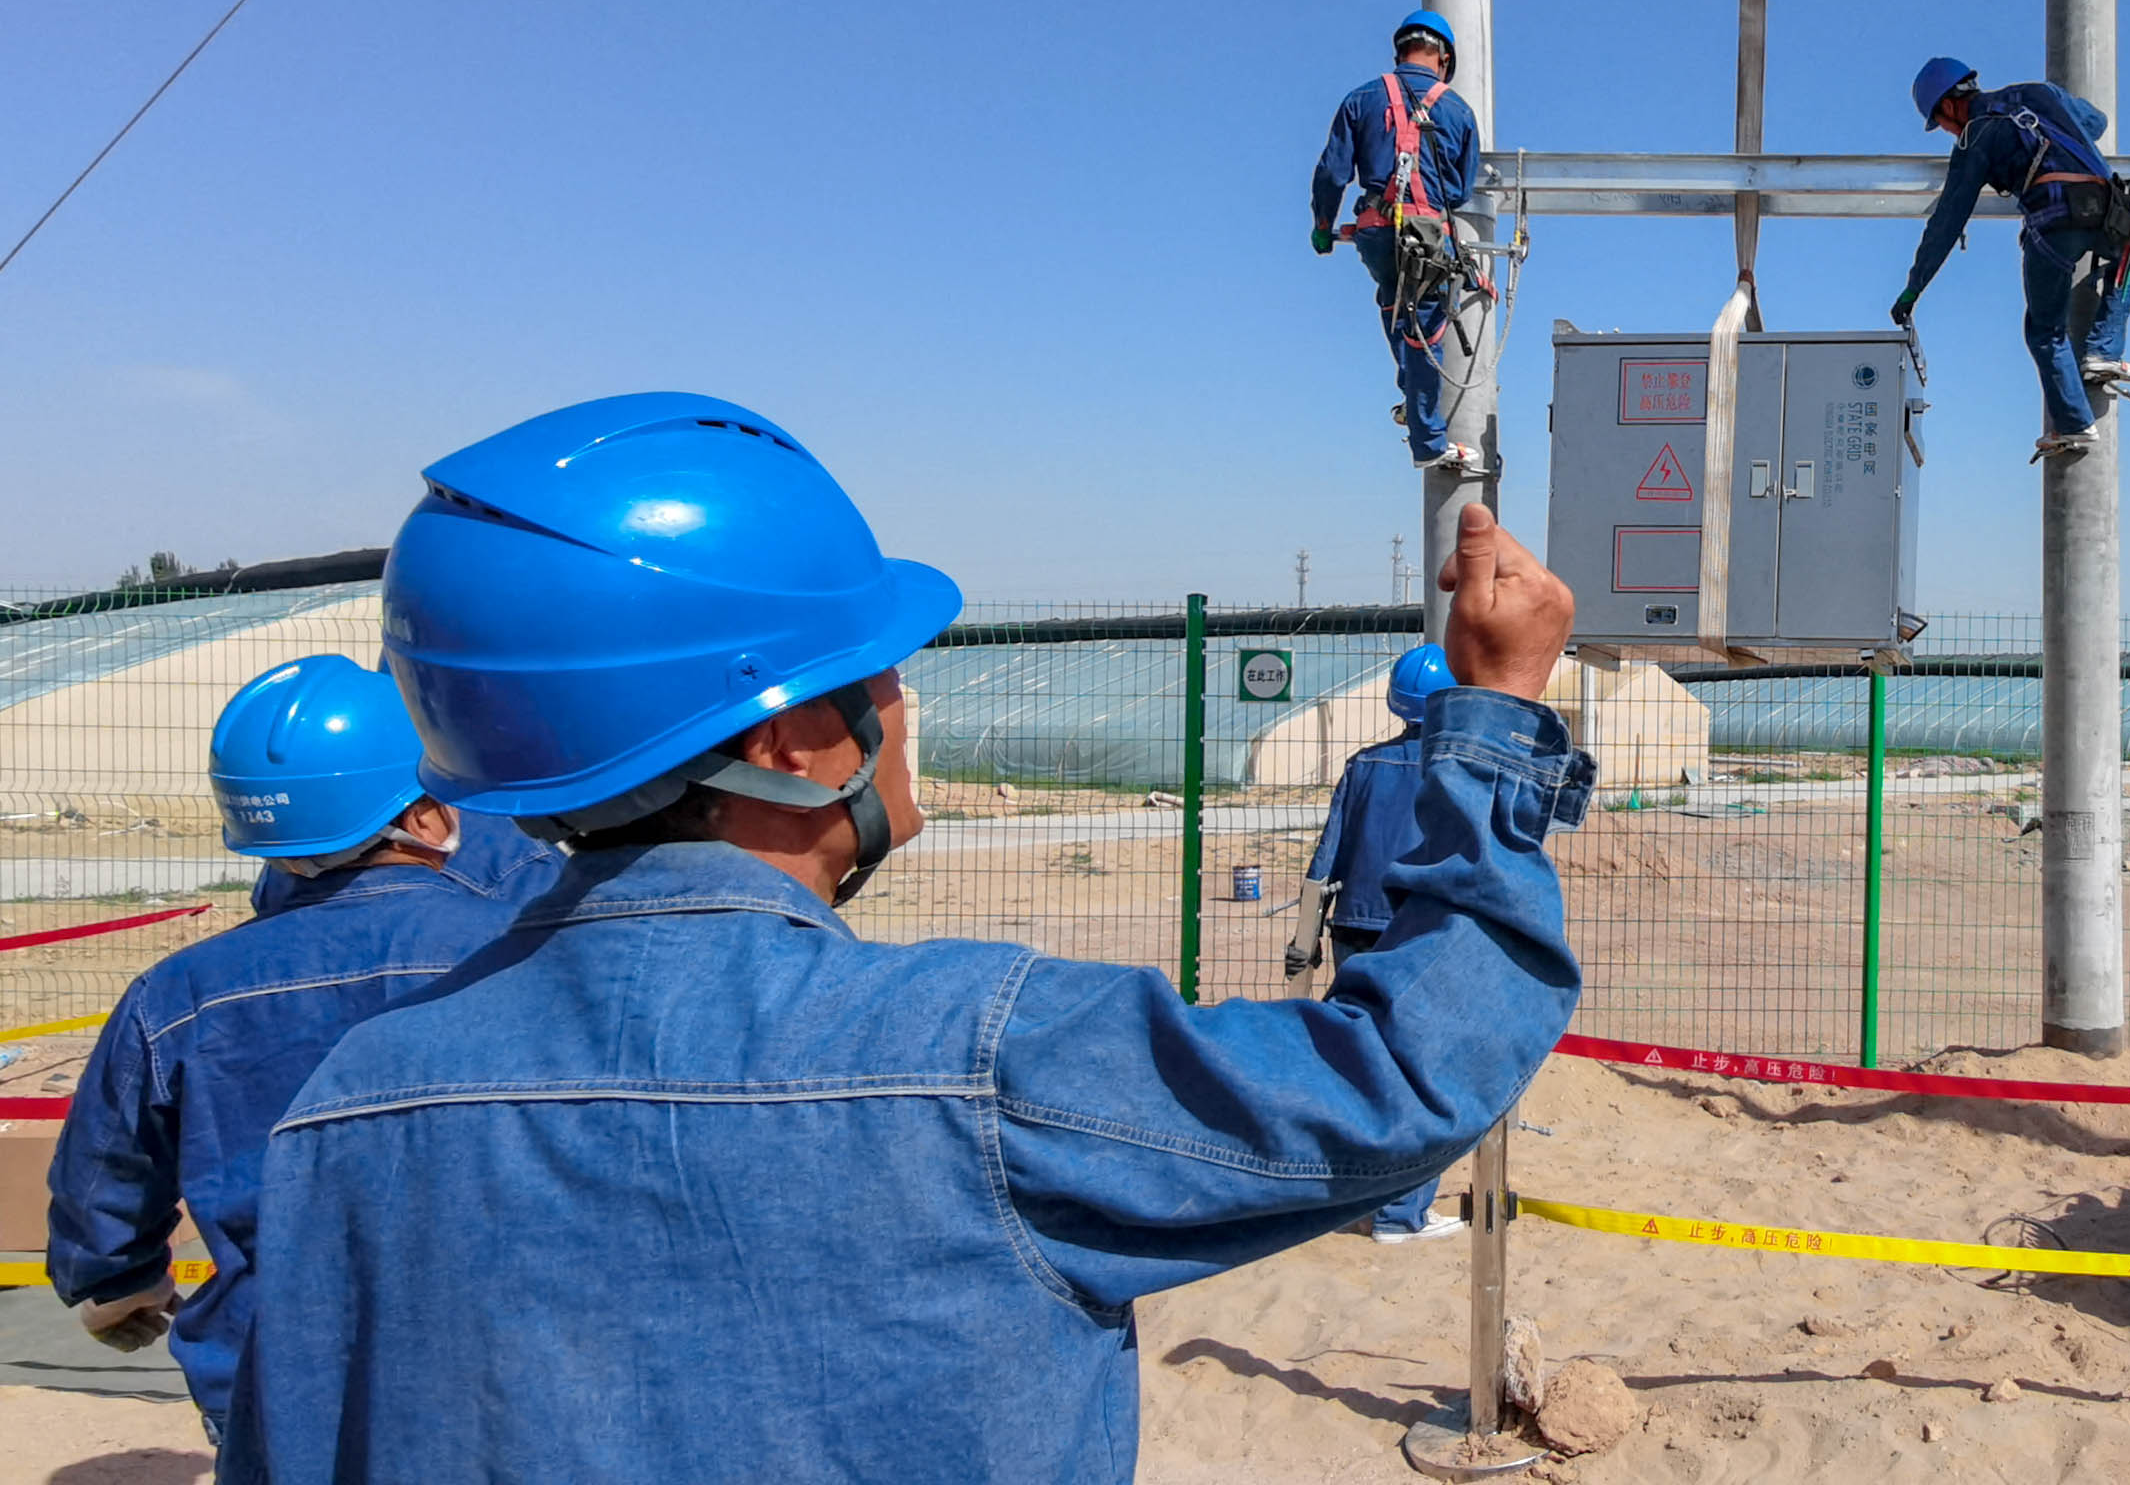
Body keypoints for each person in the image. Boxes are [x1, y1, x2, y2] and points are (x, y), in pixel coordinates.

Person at [231, 393, 1591, 1483]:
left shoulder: (343, 1115)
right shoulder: (980, 1065)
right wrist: (1496, 721)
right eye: (882, 673)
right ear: (788, 742)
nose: (906, 701)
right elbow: (1409, 1076)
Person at [45, 654, 562, 1448]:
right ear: (426, 816)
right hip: (506, 1364)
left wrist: (111, 1279)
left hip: (272, 1376)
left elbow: (109, 1167)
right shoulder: (531, 955)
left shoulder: (179, 993)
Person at [1890, 55, 2130, 463]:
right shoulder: (2038, 93)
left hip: (2054, 223)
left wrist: (1913, 287)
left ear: (1950, 106)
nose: (1949, 131)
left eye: (1943, 123)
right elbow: (2095, 123)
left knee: (2045, 331)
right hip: (2108, 209)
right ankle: (2103, 351)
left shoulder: (1975, 137)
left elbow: (1947, 221)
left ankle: (2076, 423)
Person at [1294, 641, 1463, 1241]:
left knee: (1353, 1063)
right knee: (1419, 1072)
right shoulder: (1454, 770)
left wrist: (1303, 938)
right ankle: (1400, 1214)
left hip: (1352, 927)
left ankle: (1334, 1194)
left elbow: (1325, 859)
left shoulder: (1363, 765)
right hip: (1419, 931)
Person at [1311, 9, 1484, 474]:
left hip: (1375, 232)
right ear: (1444, 58)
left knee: (1393, 302)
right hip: (1427, 237)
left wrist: (1323, 224)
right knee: (1425, 330)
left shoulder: (1361, 98)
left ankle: (1412, 397)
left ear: (1399, 51)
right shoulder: (1457, 110)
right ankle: (1429, 443)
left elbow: (1332, 172)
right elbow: (1461, 191)